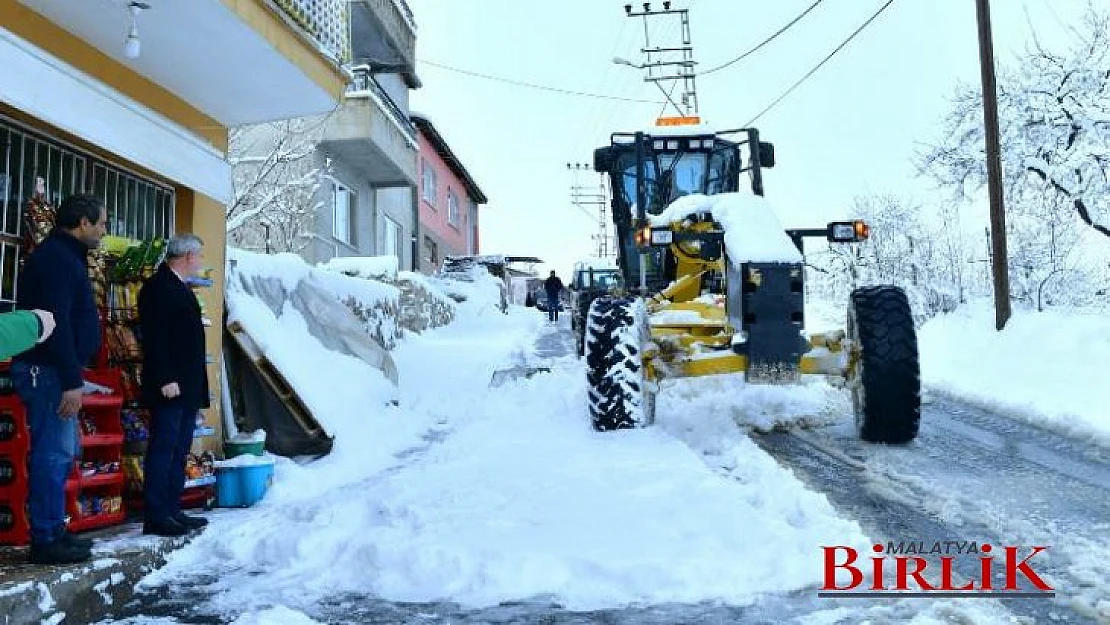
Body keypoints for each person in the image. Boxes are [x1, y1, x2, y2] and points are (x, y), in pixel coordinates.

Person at [11, 193, 106, 565]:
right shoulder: (57, 261)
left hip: (54, 371)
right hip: (48, 373)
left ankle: (54, 529)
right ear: (82, 223)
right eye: (100, 223)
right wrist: (71, 381)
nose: (102, 230)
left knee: (60, 453)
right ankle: (46, 537)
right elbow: (55, 325)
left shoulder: (63, 257)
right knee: (53, 454)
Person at [138, 234, 210, 537]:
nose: (201, 263)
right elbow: (155, 337)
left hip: (187, 384)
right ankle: (156, 514)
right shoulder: (158, 287)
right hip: (170, 384)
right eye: (199, 257)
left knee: (180, 448)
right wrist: (166, 377)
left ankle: (171, 508)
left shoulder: (180, 287)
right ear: (186, 256)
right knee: (164, 447)